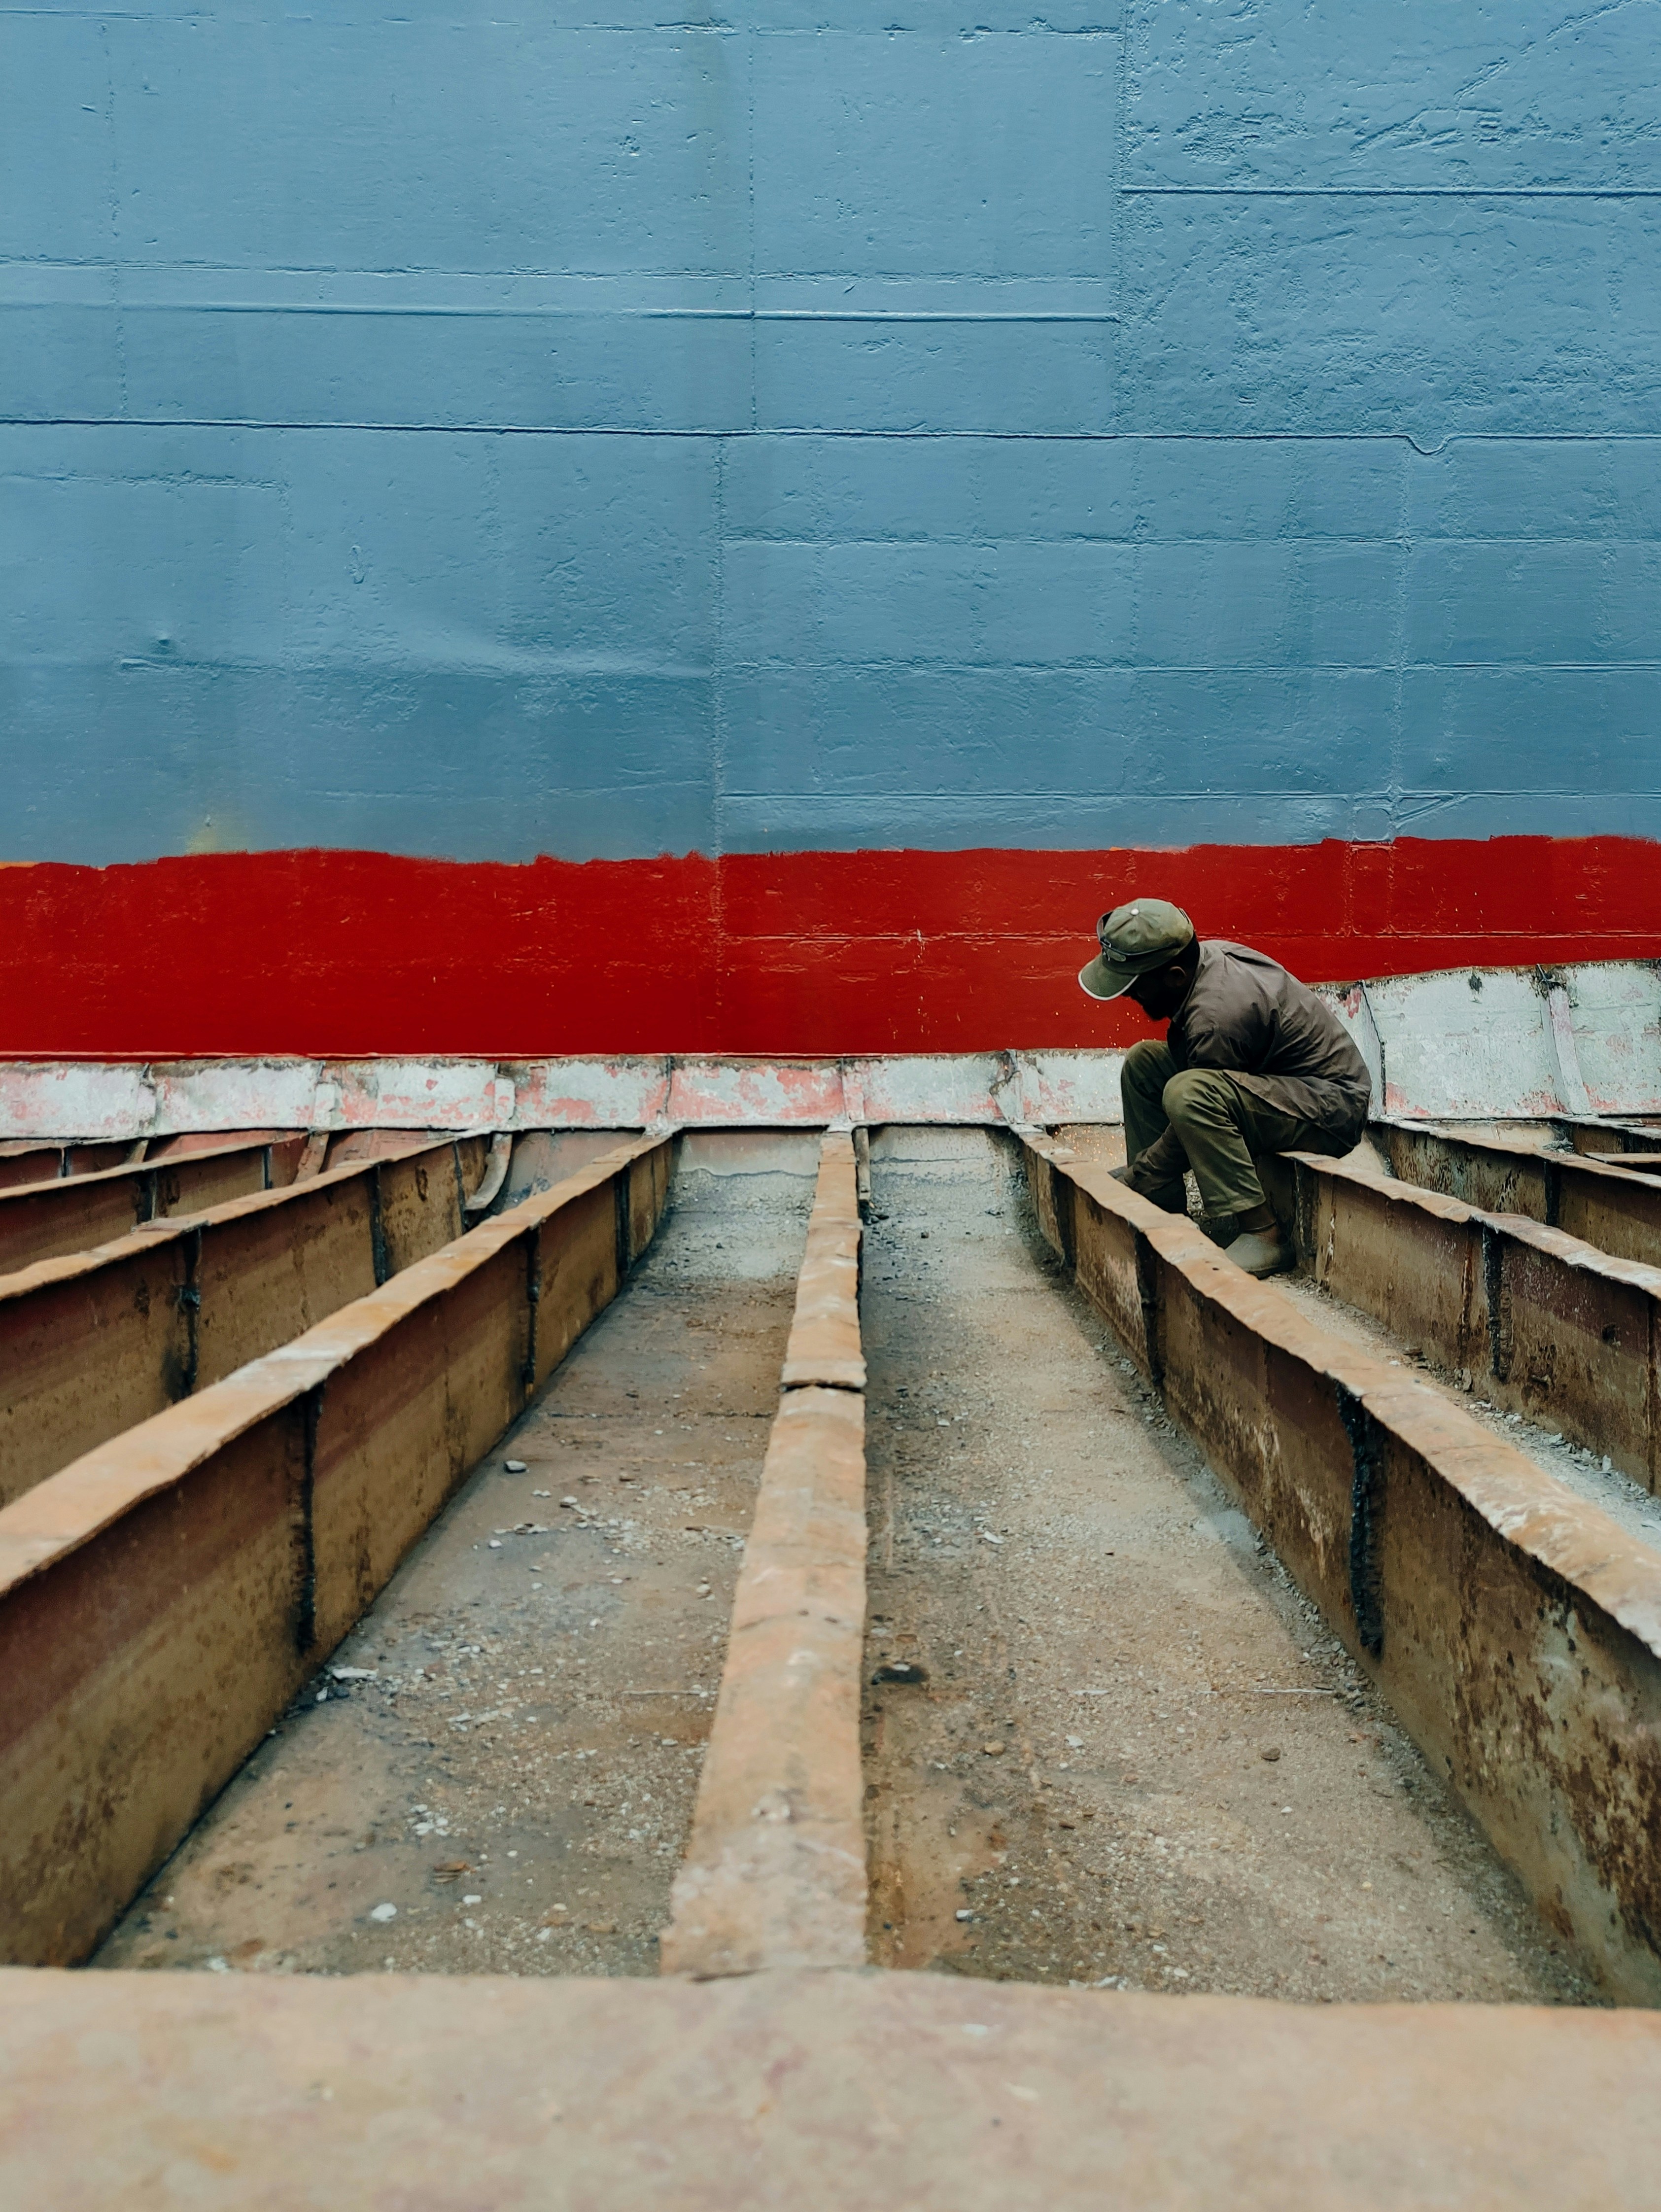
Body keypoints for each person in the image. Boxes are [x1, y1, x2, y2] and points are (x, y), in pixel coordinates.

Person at [1077, 899, 1372, 1278]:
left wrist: (1137, 1175)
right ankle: (1159, 1205)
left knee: (1189, 1094)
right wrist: (1141, 1177)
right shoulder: (1203, 962)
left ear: (1176, 976)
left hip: (1329, 1110)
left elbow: (1195, 1117)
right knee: (1144, 1065)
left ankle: (1264, 1234)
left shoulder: (1215, 1019)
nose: (1129, 997)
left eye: (1135, 986)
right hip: (1277, 1086)